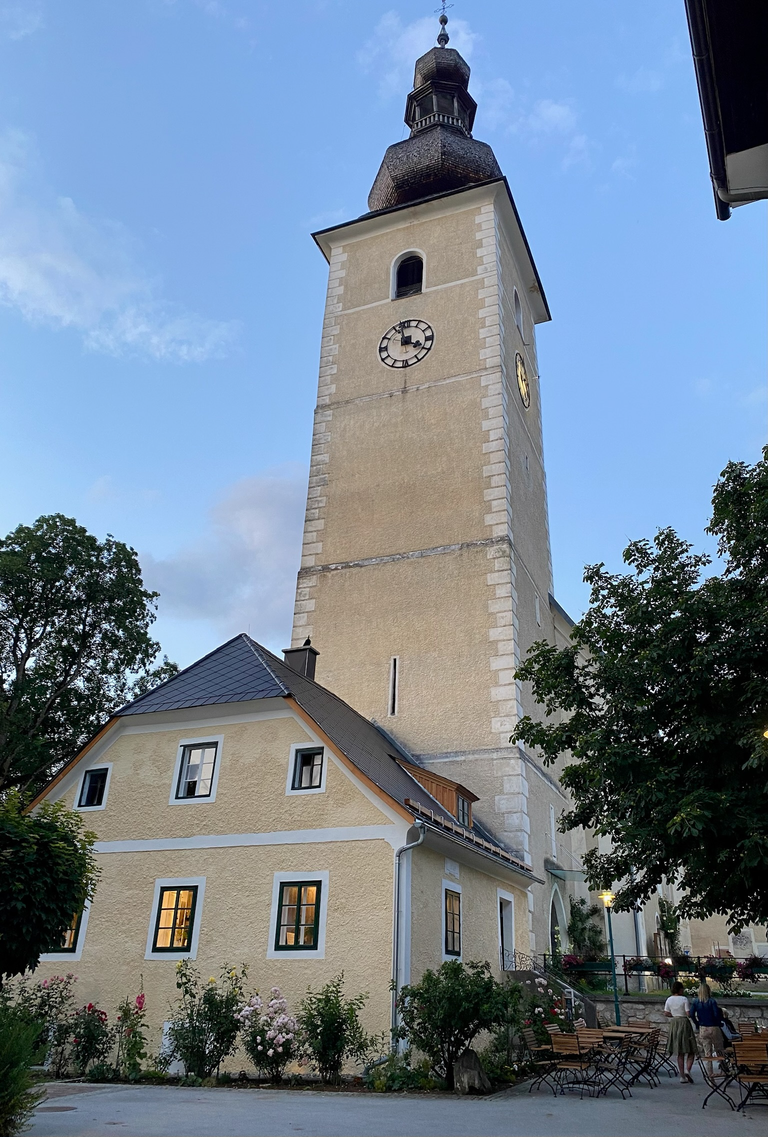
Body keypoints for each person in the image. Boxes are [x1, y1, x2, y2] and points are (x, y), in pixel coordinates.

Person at [663, 981, 697, 1083]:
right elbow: (688, 1013)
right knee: (691, 1049)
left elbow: (666, 1012)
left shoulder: (669, 999)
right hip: (683, 1023)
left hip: (675, 1023)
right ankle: (688, 1069)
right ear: (680, 989)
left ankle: (682, 1076)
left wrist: (673, 1015)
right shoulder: (684, 999)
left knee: (680, 1052)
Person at [690, 982, 725, 1057]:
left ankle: (709, 1068)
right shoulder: (712, 1001)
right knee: (719, 1049)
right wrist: (719, 1023)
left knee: (707, 1053)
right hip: (713, 1026)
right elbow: (716, 1014)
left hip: (703, 1027)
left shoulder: (696, 1002)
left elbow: (691, 1014)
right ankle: (722, 1066)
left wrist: (697, 1023)